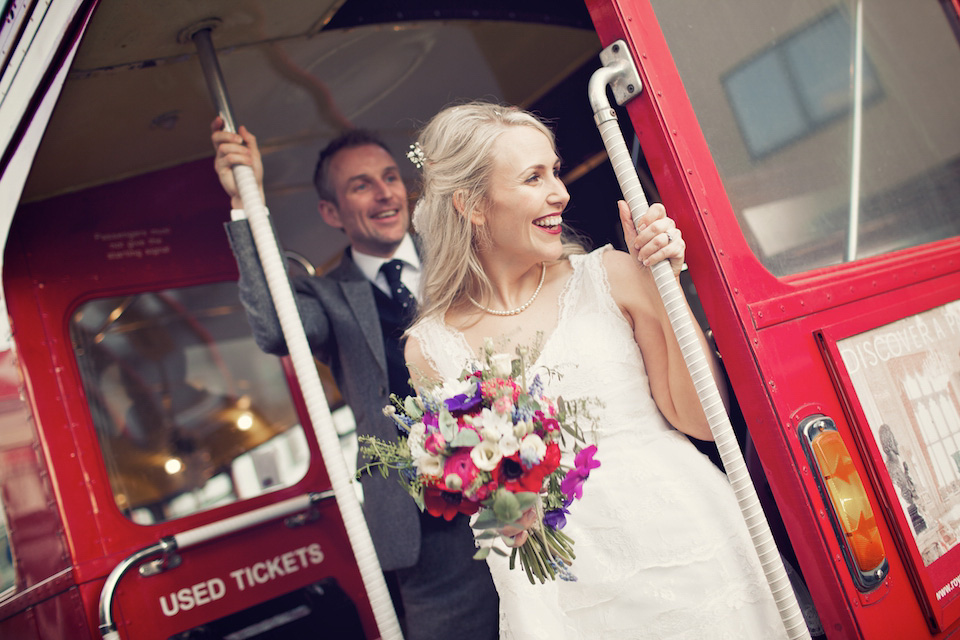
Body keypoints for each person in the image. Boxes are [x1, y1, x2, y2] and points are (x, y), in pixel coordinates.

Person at [403, 102, 790, 639]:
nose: (559, 191)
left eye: (555, 171)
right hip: (564, 593)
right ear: (473, 205)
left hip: (688, 554)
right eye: (533, 177)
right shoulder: (430, 348)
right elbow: (478, 500)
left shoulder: (613, 275)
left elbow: (703, 422)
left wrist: (665, 285)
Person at [210, 117, 499, 640]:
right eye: (360, 186)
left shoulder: (460, 254)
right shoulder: (327, 297)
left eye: (389, 177)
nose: (384, 194)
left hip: (516, 493)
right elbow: (278, 330)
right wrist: (243, 202)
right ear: (330, 212)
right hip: (426, 536)